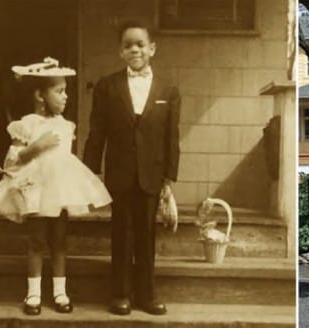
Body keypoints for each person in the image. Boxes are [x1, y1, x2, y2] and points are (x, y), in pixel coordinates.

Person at [0, 57, 112, 315]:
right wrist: (34, 148)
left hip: (59, 190)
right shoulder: (27, 124)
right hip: (36, 189)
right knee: (36, 240)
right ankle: (33, 294)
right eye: (59, 91)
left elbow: (63, 161)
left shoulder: (66, 126)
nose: (65, 97)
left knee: (59, 241)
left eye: (66, 91)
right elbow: (11, 161)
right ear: (40, 95)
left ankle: (60, 293)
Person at [83, 21, 180, 316]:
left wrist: (168, 181)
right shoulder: (107, 86)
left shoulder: (168, 89)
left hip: (151, 175)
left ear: (152, 48)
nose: (134, 49)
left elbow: (171, 137)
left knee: (146, 235)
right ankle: (120, 294)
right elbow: (96, 132)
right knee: (121, 233)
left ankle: (147, 295)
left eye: (140, 44)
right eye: (128, 45)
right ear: (120, 52)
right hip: (120, 173)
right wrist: (89, 174)